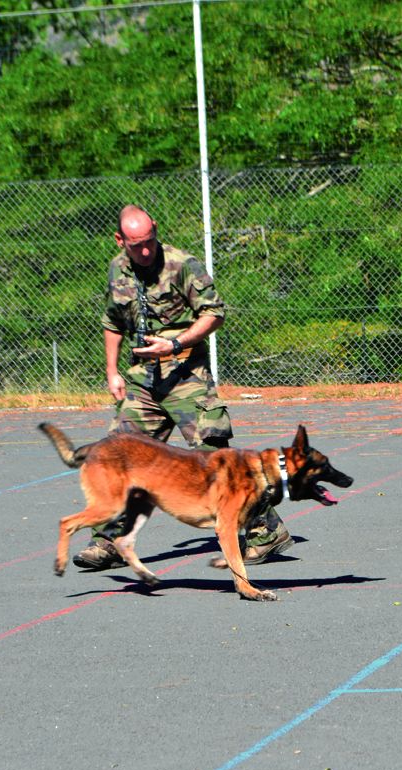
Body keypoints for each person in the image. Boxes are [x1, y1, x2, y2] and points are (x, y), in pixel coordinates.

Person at [71, 205, 293, 570]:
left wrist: (175, 344)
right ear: (120, 240)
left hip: (186, 375)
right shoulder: (117, 268)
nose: (144, 251)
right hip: (143, 379)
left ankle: (265, 532)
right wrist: (111, 370)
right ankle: (108, 540)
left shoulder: (182, 264)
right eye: (136, 245)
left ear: (155, 230)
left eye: (149, 241)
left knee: (212, 458)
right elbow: (112, 321)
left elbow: (214, 313)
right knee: (119, 455)